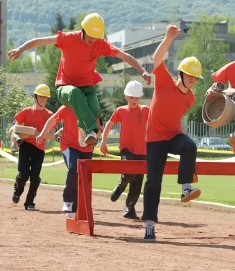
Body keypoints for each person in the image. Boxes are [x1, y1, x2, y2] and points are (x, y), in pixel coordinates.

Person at [8, 12, 151, 148]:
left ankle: (83, 129)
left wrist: (142, 71)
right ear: (83, 29)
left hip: (87, 87)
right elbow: (41, 41)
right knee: (74, 93)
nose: (92, 40)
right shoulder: (68, 39)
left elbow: (124, 56)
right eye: (90, 36)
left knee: (95, 110)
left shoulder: (101, 44)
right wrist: (20, 49)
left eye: (96, 37)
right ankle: (90, 130)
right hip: (65, 87)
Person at [141, 25, 203, 241]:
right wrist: (168, 38)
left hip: (174, 136)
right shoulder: (165, 81)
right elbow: (156, 59)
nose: (193, 80)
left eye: (196, 78)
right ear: (181, 75)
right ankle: (149, 224)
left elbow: (174, 116)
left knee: (189, 145)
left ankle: (186, 188)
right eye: (190, 76)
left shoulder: (192, 98)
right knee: (153, 180)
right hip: (156, 139)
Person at [36, 106, 102, 216]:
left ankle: (75, 209)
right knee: (74, 168)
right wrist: (42, 134)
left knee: (82, 177)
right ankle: (68, 200)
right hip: (69, 146)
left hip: (86, 147)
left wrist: (89, 138)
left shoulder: (92, 108)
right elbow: (52, 119)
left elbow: (98, 130)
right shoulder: (66, 108)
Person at [100, 80, 149, 220]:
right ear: (125, 96)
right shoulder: (120, 111)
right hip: (126, 149)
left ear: (140, 97)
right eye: (131, 97)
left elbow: (154, 124)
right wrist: (103, 142)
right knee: (128, 173)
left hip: (142, 151)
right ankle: (120, 187)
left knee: (137, 182)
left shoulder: (145, 110)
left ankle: (129, 208)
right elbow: (109, 125)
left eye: (137, 97)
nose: (134, 100)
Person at [10, 84, 56, 210]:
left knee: (35, 178)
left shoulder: (50, 115)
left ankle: (29, 203)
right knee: (23, 174)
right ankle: (17, 191)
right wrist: (18, 137)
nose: (43, 99)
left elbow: (52, 135)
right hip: (25, 146)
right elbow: (15, 129)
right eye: (40, 97)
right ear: (35, 97)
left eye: (45, 97)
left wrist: (37, 133)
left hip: (39, 149)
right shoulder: (26, 111)